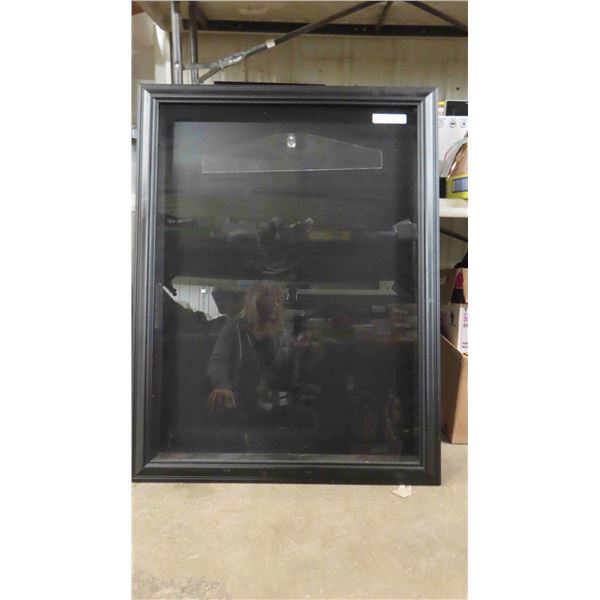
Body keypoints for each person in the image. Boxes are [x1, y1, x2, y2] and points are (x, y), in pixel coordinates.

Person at [207, 281, 288, 417]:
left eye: (279, 302)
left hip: (271, 410)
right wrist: (222, 386)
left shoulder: (280, 336)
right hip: (236, 407)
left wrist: (284, 405)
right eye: (273, 300)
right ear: (256, 301)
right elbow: (218, 360)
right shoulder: (234, 329)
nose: (277, 306)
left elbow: (284, 376)